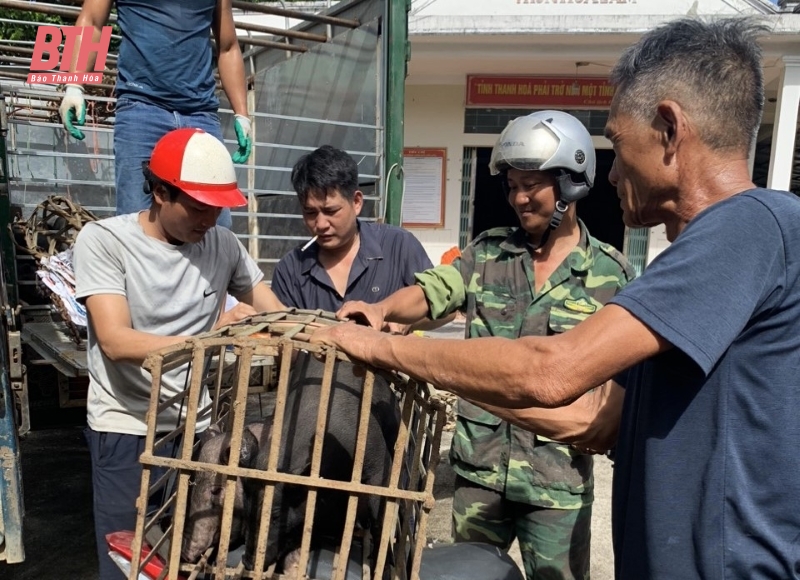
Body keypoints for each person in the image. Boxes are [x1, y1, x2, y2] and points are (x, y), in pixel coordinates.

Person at [310, 18, 800, 579]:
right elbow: (597, 422)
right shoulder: (703, 261)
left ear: (669, 127)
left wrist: (378, 349)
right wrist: (436, 367)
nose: (613, 172)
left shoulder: (746, 230)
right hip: (497, 479)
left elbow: (553, 371)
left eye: (616, 143)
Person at [330, 111, 634, 580]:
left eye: (530, 183)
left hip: (556, 484)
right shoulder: (487, 252)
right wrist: (383, 311)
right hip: (480, 473)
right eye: (512, 185)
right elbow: (435, 291)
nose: (518, 197)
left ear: (572, 184)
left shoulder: (611, 274)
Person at [73, 128, 284, 579]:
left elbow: (273, 309)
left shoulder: (222, 244)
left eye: (218, 207)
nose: (209, 219)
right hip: (128, 427)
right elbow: (116, 341)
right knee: (129, 563)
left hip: (197, 430)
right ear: (160, 192)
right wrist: (214, 337)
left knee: (196, 557)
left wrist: (329, 333)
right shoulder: (105, 241)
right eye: (198, 206)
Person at [59, 0, 252, 228]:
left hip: (200, 112)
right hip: (141, 108)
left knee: (217, 226)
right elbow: (91, 22)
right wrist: (74, 85)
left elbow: (228, 46)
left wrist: (242, 113)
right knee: (136, 223)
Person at [271, 145, 433, 321]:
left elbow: (446, 310)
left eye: (331, 211)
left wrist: (405, 322)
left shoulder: (398, 245)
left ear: (356, 202)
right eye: (310, 213)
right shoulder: (290, 270)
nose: (321, 224)